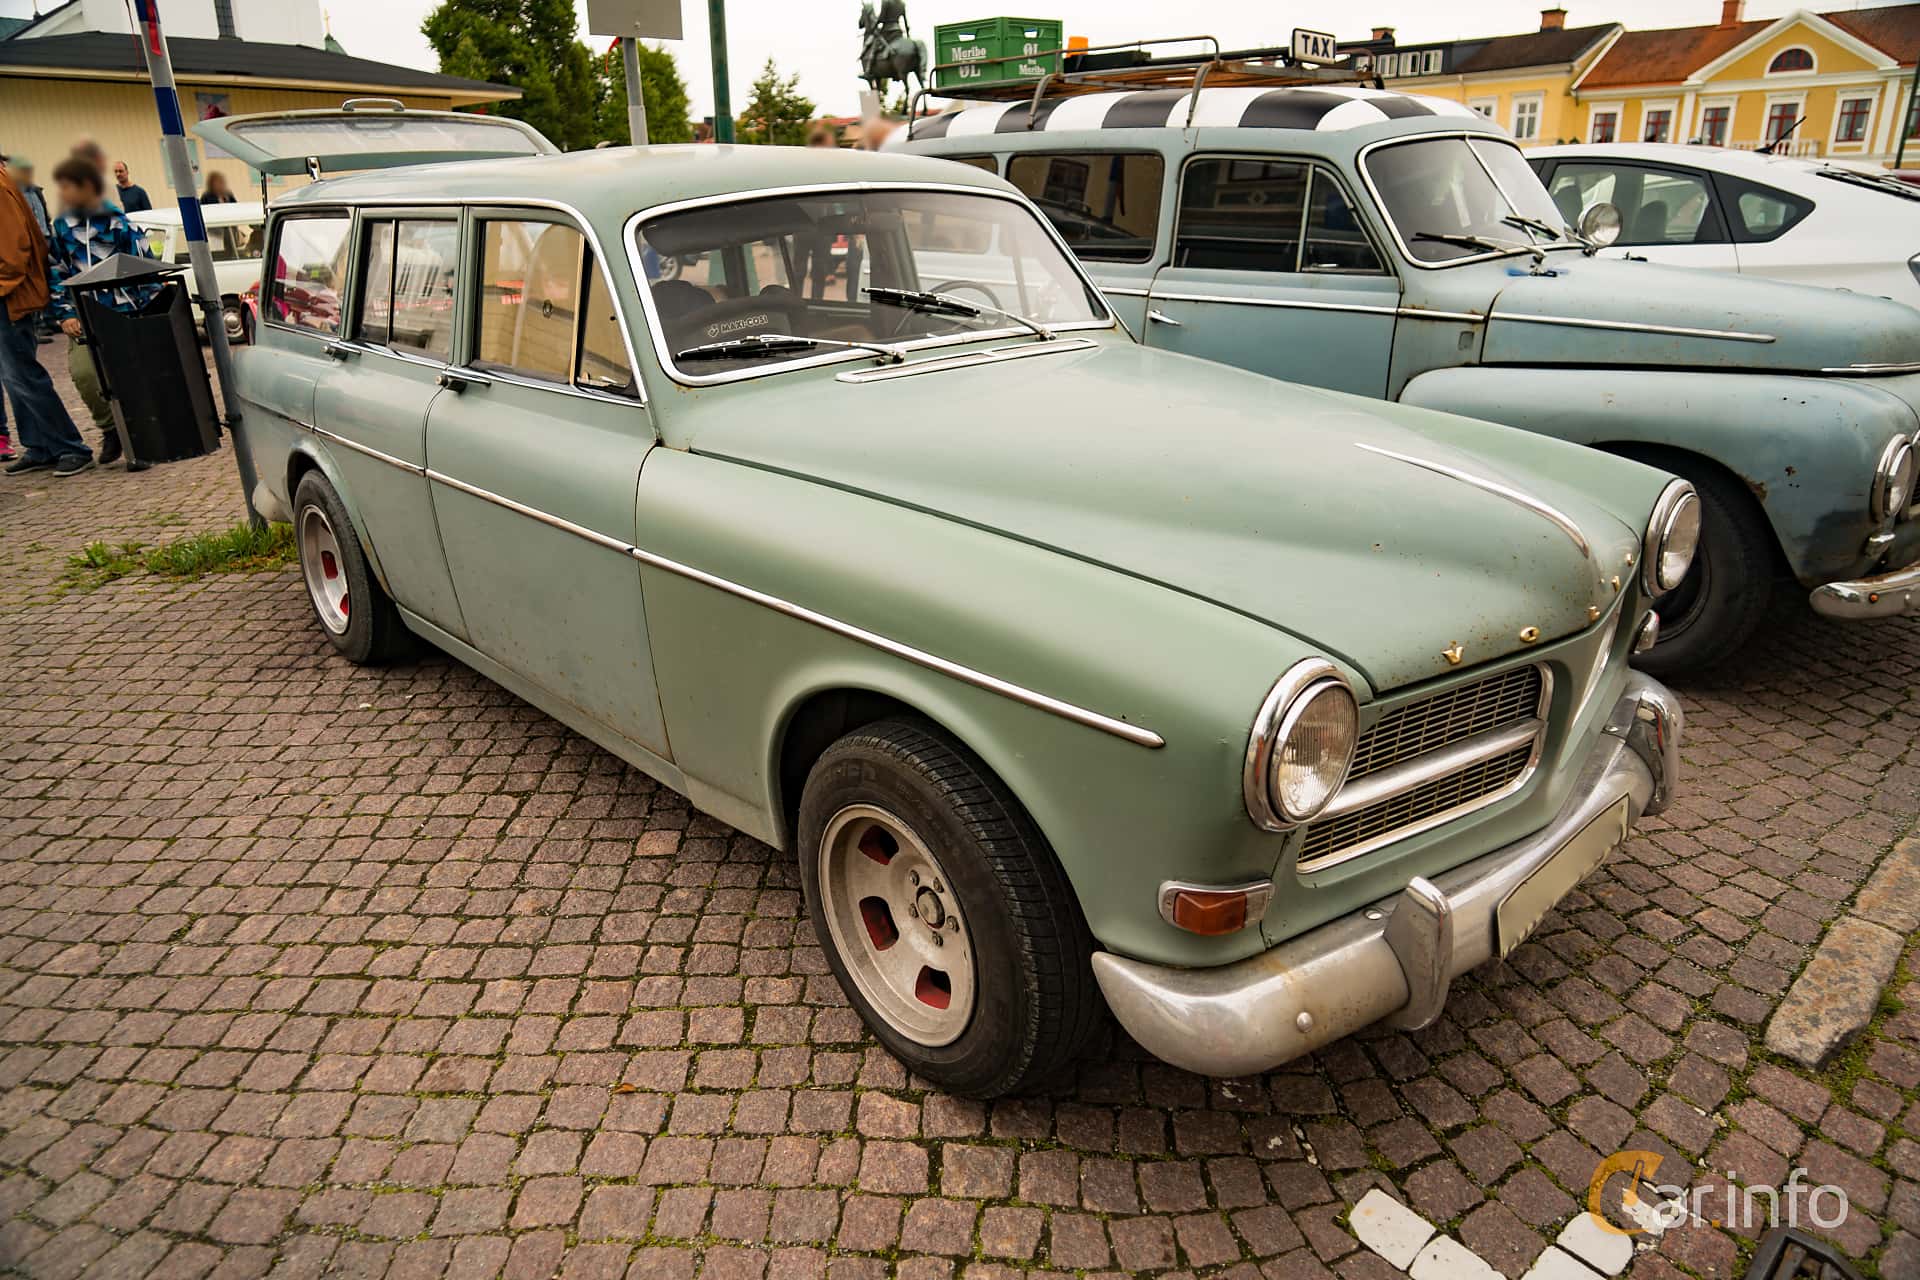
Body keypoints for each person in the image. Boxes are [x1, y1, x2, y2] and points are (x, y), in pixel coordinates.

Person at [47, 155, 156, 468]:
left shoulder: (119, 222)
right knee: (84, 375)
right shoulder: (62, 226)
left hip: (121, 311)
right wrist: (65, 312)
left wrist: (147, 310)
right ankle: (111, 430)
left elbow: (142, 266)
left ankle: (138, 445)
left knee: (128, 379)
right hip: (83, 313)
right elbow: (57, 270)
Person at [0, 148, 93, 477]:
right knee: (13, 377)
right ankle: (39, 445)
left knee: (23, 374)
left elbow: (16, 250)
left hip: (8, 299)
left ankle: (70, 446)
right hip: (9, 295)